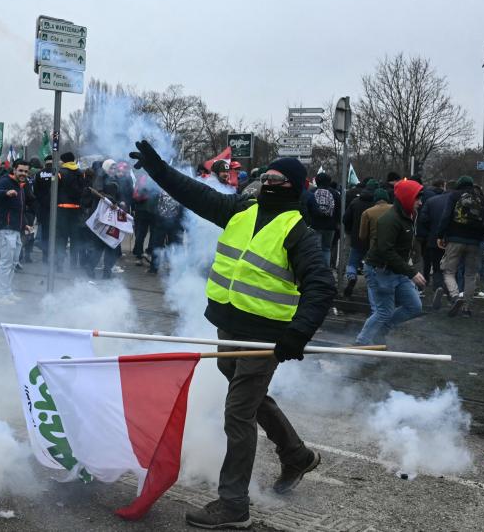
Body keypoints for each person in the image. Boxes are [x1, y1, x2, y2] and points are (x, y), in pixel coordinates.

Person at [129, 141, 334, 529]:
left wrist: (297, 335)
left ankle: (233, 505)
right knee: (250, 397)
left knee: (238, 412)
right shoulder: (242, 209)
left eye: (277, 178)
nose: (268, 182)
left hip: (266, 338)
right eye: (266, 176)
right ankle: (296, 455)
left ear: (293, 186)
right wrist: (159, 169)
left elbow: (322, 286)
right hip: (229, 327)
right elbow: (196, 194)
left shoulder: (299, 233)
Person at [355, 180, 425, 345]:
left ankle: (380, 332)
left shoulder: (409, 215)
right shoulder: (390, 220)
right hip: (380, 270)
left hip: (397, 270)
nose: (420, 203)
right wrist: (412, 272)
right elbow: (386, 251)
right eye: (417, 199)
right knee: (383, 312)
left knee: (414, 307)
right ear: (407, 198)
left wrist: (411, 263)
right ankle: (360, 343)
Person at [435, 176, 484, 317]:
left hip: (454, 239)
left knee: (449, 271)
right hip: (474, 242)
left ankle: (455, 297)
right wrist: (480, 236)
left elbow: (446, 216)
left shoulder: (454, 196)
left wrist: (440, 235)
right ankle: (466, 308)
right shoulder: (481, 198)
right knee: (470, 274)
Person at [0, 159, 34, 303]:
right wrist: (5, 192)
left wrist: (25, 225)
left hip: (15, 229)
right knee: (6, 262)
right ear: (14, 170)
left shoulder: (21, 186)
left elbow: (19, 210)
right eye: (21, 170)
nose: (23, 174)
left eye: (26, 171)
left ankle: (6, 291)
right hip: (5, 228)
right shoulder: (5, 181)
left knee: (14, 262)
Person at [341, 180, 376, 297]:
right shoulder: (376, 204)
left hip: (356, 238)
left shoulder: (355, 202)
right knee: (371, 262)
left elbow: (345, 219)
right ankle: (371, 285)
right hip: (372, 240)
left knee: (352, 262)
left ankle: (351, 277)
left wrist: (350, 230)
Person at [300, 173, 341, 267]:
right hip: (330, 226)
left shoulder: (312, 192)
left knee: (316, 249)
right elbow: (339, 210)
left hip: (315, 225)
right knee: (327, 249)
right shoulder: (335, 193)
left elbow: (307, 209)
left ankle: (316, 268)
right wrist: (337, 223)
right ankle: (325, 269)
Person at [55, 152, 86, 271]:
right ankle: (73, 265)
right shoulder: (80, 173)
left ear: (65, 161)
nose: (59, 162)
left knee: (61, 238)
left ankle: (59, 264)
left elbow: (55, 190)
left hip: (62, 209)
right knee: (75, 238)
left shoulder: (60, 173)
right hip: (76, 210)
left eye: (61, 160)